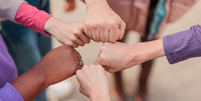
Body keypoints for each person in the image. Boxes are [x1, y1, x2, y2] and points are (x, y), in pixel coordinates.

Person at [94, 24, 201, 77]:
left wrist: (134, 52)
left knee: (151, 37)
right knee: (115, 43)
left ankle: (143, 82)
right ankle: (118, 83)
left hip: (154, 6)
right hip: (117, 6)